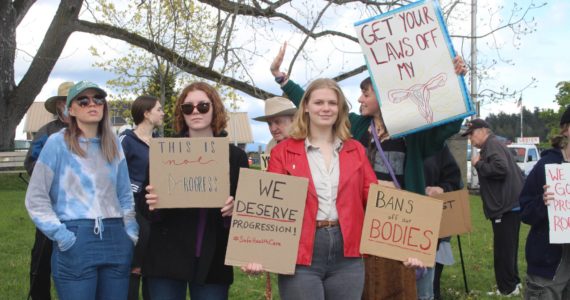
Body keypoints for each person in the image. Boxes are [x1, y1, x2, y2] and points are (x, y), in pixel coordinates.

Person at [270, 41, 465, 299]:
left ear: (384, 95)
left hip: (399, 224)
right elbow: (318, 106)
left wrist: (455, 82)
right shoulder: (359, 128)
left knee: (403, 291)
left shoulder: (413, 131)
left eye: (366, 93)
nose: (360, 98)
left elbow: (449, 125)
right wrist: (283, 80)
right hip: (362, 228)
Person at [243, 78, 377, 300]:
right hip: (300, 253)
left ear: (340, 108)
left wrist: (406, 248)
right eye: (319, 102)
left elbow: (374, 201)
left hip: (348, 255)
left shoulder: (356, 150)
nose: (326, 108)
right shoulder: (282, 152)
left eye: (332, 103)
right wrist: (257, 252)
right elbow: (268, 206)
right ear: (306, 106)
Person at [25, 81, 138, 300]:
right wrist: (62, 236)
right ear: (71, 109)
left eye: (98, 99)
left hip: (116, 236)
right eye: (83, 101)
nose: (92, 104)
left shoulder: (113, 142)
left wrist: (130, 231)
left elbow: (124, 193)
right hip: (77, 235)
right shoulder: (56, 143)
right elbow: (36, 198)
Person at [142, 82, 249, 300]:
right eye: (188, 107)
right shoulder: (164, 152)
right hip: (166, 258)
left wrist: (235, 208)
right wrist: (152, 203)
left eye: (203, 106)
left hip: (213, 261)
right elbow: (144, 207)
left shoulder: (235, 156)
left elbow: (247, 211)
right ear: (182, 113)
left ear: (215, 108)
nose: (195, 112)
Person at [24, 81, 73, 300]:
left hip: (80, 208)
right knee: (42, 259)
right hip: (51, 205)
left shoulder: (89, 131)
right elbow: (31, 163)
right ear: (59, 105)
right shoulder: (46, 132)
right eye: (66, 102)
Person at [464, 118, 523, 296]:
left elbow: (501, 169)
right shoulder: (496, 144)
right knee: (509, 247)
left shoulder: (492, 145)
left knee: (503, 250)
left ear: (483, 130)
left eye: (471, 134)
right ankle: (513, 284)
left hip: (504, 207)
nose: (471, 140)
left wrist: (478, 164)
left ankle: (506, 289)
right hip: (510, 205)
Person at [519, 106, 570, 299]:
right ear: (566, 129)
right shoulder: (546, 166)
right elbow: (525, 211)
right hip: (547, 267)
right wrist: (543, 202)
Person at [120, 96, 165, 300]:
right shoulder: (126, 141)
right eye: (158, 109)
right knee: (134, 265)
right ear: (146, 113)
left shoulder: (160, 143)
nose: (163, 112)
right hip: (133, 212)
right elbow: (115, 174)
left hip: (155, 209)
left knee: (152, 264)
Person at [422, 144, 463, 300]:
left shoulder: (437, 145)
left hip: (431, 227)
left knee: (428, 288)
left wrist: (442, 189)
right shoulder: (383, 140)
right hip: (393, 226)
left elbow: (454, 179)